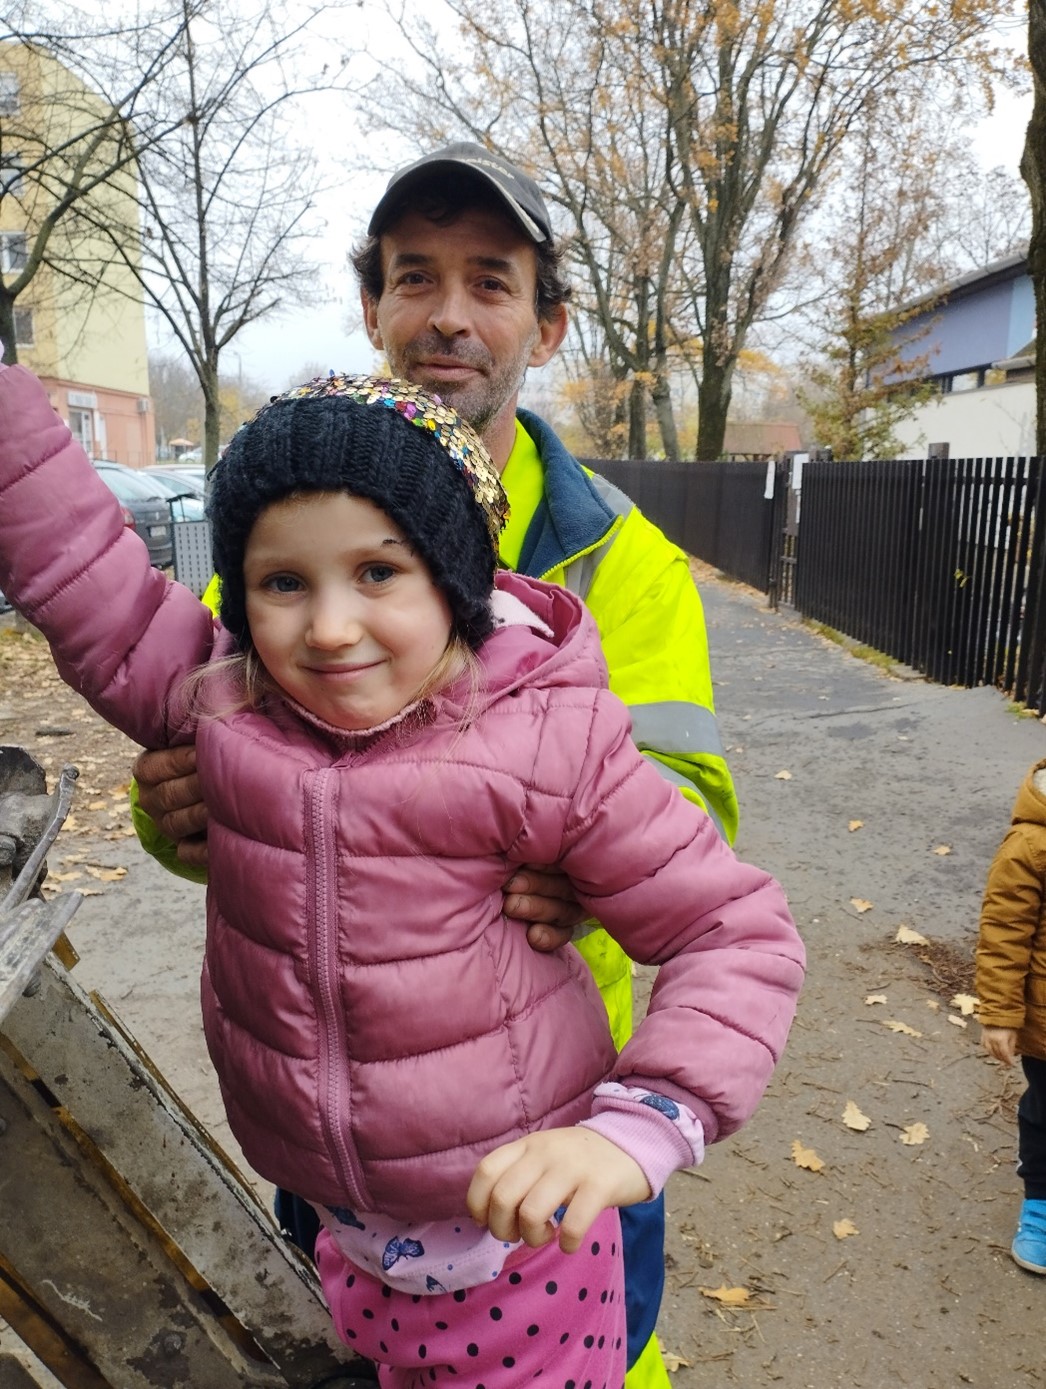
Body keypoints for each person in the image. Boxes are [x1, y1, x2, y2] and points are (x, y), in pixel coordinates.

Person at [0, 365, 804, 1387]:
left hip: (524, 1249)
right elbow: (83, 576)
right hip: (342, 1229)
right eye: (283, 583)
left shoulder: (546, 743)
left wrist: (644, 1122)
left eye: (378, 573)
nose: (329, 627)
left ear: (453, 579)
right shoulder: (224, 701)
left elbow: (732, 930)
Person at [130, 142, 739, 1385]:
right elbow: (215, 765)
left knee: (604, 1353)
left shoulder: (621, 563)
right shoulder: (284, 539)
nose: (448, 315)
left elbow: (692, 813)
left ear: (546, 323)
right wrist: (172, 813)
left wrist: (573, 865)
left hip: (550, 1112)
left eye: (490, 281)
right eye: (414, 278)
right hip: (332, 1118)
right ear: (371, 308)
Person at [976, 756, 1046, 1276]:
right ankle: (1041, 1206)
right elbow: (1004, 932)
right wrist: (1000, 1013)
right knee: (1045, 1113)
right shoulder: (1030, 844)